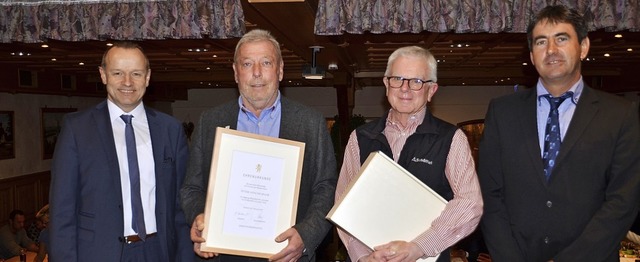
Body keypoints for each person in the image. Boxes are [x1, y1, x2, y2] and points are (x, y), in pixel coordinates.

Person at [478, 5, 640, 262]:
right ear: (532, 55)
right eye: (541, 42)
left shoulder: (620, 115)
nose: (551, 50)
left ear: (583, 47)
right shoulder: (502, 112)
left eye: (561, 39)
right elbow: (489, 195)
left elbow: (624, 200)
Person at [180, 29, 337, 262]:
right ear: (235, 73)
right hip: (225, 255)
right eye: (247, 64)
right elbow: (191, 189)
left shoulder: (310, 122)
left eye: (266, 62)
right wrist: (200, 217)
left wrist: (305, 235)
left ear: (280, 70)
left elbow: (326, 187)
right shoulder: (210, 121)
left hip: (289, 256)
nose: (257, 73)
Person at [335, 46, 483, 262]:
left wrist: (419, 247)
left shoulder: (451, 138)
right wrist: (363, 256)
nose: (405, 89)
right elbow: (343, 202)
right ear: (386, 84)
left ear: (431, 90)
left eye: (416, 82)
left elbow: (470, 204)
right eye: (398, 79)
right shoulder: (360, 137)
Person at [49, 41, 192, 261]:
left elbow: (180, 207)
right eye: (118, 73)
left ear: (147, 77)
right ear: (103, 75)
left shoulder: (170, 129)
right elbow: (62, 212)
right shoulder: (76, 129)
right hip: (98, 253)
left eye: (136, 73)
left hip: (159, 251)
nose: (127, 82)